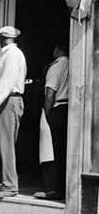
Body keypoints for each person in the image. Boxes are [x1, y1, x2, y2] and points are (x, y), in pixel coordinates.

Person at [0, 26, 27, 198]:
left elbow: (7, 82)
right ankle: (3, 179)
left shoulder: (13, 55)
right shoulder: (7, 54)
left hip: (8, 100)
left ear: (2, 37)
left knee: (6, 144)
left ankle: (9, 184)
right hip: (1, 99)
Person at [35, 41, 69, 200]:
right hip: (68, 109)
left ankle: (52, 189)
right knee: (62, 150)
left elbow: (50, 93)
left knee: (50, 150)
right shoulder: (72, 64)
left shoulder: (55, 67)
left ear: (56, 50)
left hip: (56, 109)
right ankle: (61, 187)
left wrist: (46, 113)